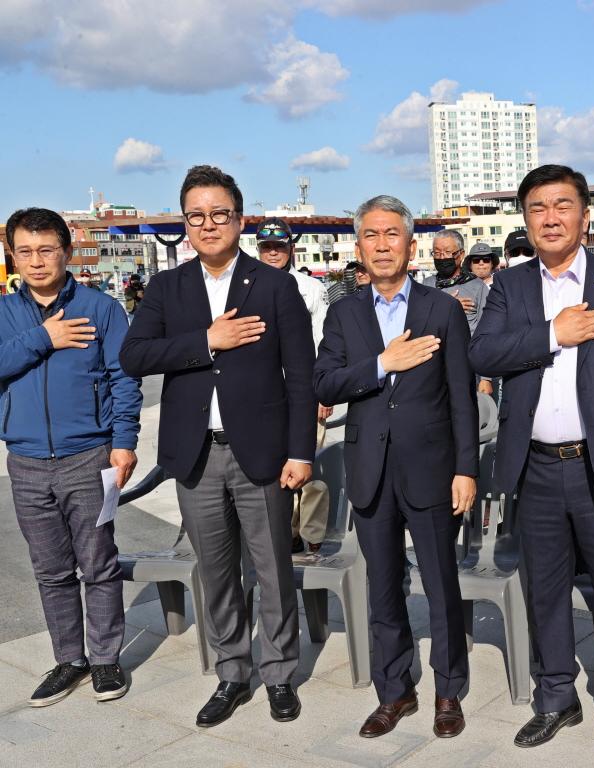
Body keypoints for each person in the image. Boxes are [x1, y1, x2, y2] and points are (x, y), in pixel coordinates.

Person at [469, 164, 594, 759]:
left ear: (584, 214)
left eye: (562, 205)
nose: (550, 218)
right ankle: (555, 696)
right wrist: (555, 333)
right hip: (535, 466)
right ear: (525, 219)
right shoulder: (511, 285)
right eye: (537, 208)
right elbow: (484, 352)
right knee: (545, 588)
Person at [120, 165, 316, 728]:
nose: (208, 225)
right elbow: (135, 356)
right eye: (196, 216)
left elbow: (300, 376)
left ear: (240, 218)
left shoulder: (275, 285)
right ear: (186, 223)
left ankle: (279, 672)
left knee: (273, 566)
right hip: (196, 454)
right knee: (216, 569)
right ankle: (233, 672)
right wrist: (205, 341)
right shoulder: (167, 287)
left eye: (220, 214)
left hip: (262, 453)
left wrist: (300, 451)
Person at [314, 194, 477, 740]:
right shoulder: (343, 312)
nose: (382, 246)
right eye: (371, 236)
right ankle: (394, 691)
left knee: (440, 584)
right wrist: (383, 363)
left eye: (392, 235)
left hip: (432, 468)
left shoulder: (442, 309)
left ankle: (448, 688)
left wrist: (466, 469)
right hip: (369, 470)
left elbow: (462, 396)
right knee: (382, 587)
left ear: (412, 246)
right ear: (358, 246)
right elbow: (326, 384)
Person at [1, 208, 142, 707]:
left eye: (46, 249)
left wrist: (124, 443)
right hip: (26, 461)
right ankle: (69, 659)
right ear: (12, 255)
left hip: (89, 456)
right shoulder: (4, 313)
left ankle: (105, 660)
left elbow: (125, 380)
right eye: (25, 251)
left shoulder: (102, 309)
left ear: (65, 250)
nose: (36, 261)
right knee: (50, 569)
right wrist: (45, 338)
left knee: (97, 564)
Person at [254, 217, 333, 557]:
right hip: (264, 398)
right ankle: (285, 536)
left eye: (279, 246)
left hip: (304, 394)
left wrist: (322, 394)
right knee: (272, 472)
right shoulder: (246, 286)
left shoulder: (311, 288)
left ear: (291, 248)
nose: (273, 253)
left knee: (308, 470)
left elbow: (323, 344)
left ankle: (312, 535)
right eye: (266, 247)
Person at [424, 229, 488, 335]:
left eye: (447, 252)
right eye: (437, 253)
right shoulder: (426, 285)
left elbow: (486, 328)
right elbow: (419, 321)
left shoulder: (478, 287)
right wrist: (448, 307)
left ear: (461, 254)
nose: (442, 257)